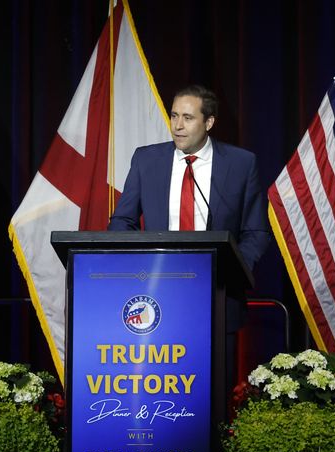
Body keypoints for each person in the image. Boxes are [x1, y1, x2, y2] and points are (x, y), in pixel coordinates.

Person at [108, 85, 270, 392]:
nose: (177, 126)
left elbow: (256, 232)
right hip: (156, 297)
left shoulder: (240, 164)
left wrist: (232, 267)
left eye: (187, 117)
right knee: (162, 389)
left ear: (208, 122)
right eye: (173, 116)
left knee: (212, 394)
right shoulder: (147, 160)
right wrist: (137, 269)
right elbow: (122, 221)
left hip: (217, 297)